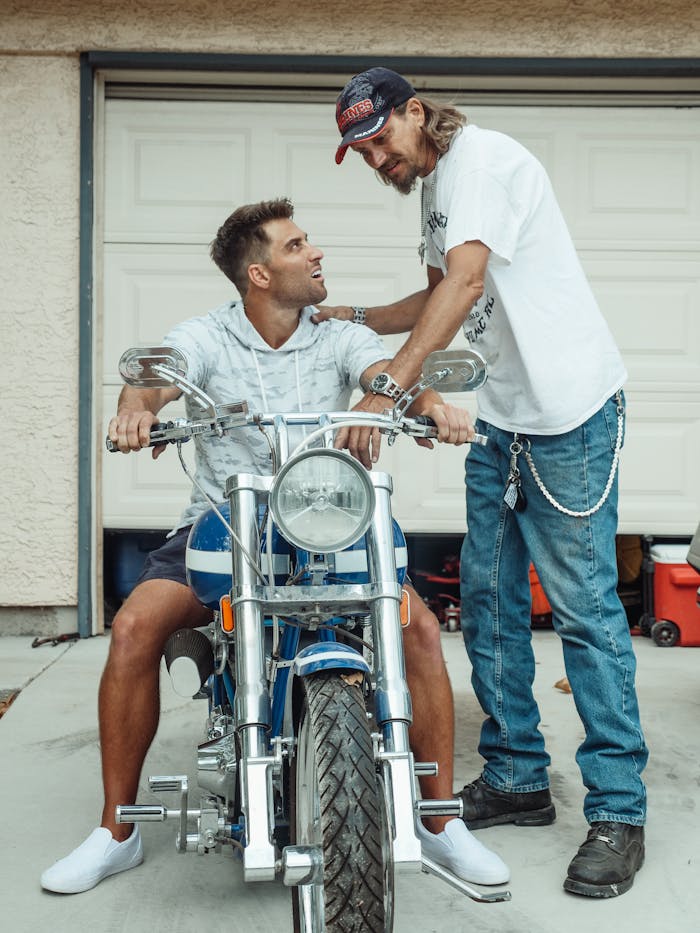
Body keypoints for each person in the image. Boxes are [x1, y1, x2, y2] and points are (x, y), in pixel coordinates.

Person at [40, 198, 509, 894]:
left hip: (330, 520)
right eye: (297, 247)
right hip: (222, 523)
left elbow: (382, 374)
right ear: (259, 274)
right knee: (135, 626)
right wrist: (135, 411)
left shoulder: (333, 335)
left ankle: (438, 824)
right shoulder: (207, 335)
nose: (315, 253)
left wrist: (429, 405)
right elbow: (157, 377)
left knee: (420, 631)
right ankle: (117, 830)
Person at [317, 67, 648, 898]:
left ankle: (619, 808)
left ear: (416, 113)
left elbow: (466, 283)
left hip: (569, 414)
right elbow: (439, 298)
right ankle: (518, 776)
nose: (375, 160)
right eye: (359, 153)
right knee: (489, 598)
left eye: (380, 140)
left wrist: (387, 384)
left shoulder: (483, 164)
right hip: (504, 419)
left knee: (586, 612)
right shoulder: (438, 193)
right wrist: (350, 317)